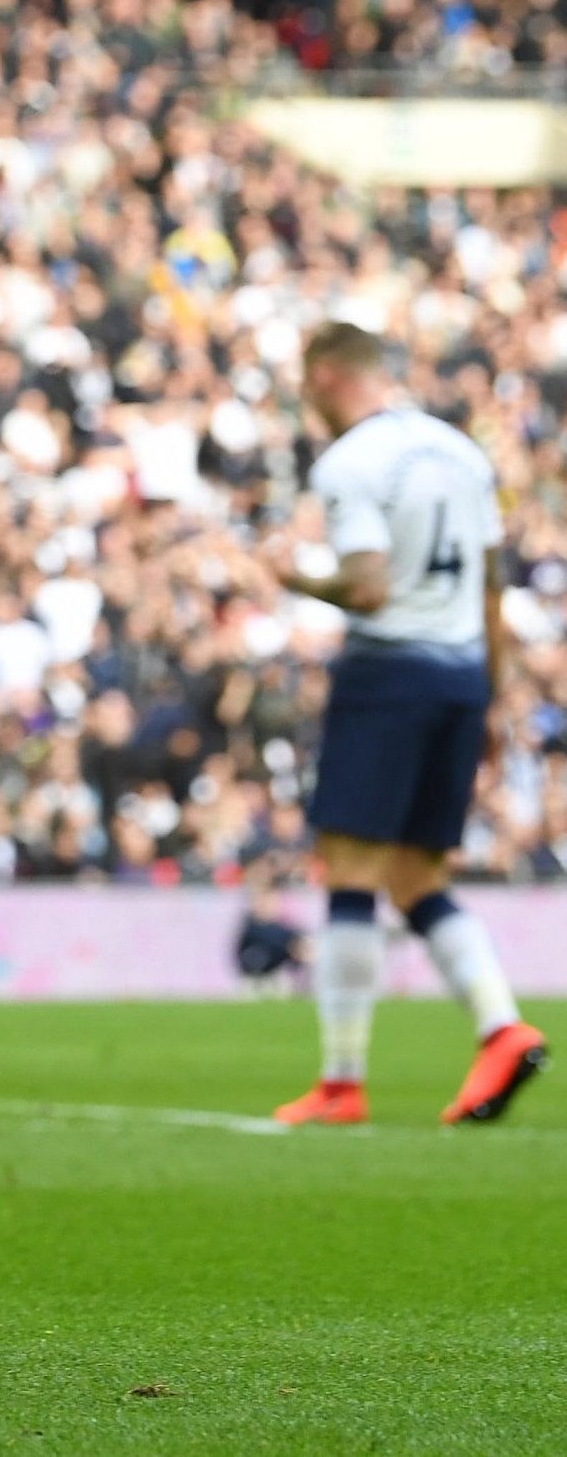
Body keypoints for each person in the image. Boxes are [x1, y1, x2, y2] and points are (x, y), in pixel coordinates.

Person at [266, 322, 546, 1127]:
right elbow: (492, 590)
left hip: (391, 673)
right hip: (461, 676)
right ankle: (501, 1028)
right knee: (416, 874)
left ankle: (341, 1082)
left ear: (324, 377)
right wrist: (491, 699)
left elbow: (368, 589)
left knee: (350, 869)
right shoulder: (462, 452)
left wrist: (296, 577)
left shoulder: (349, 462)